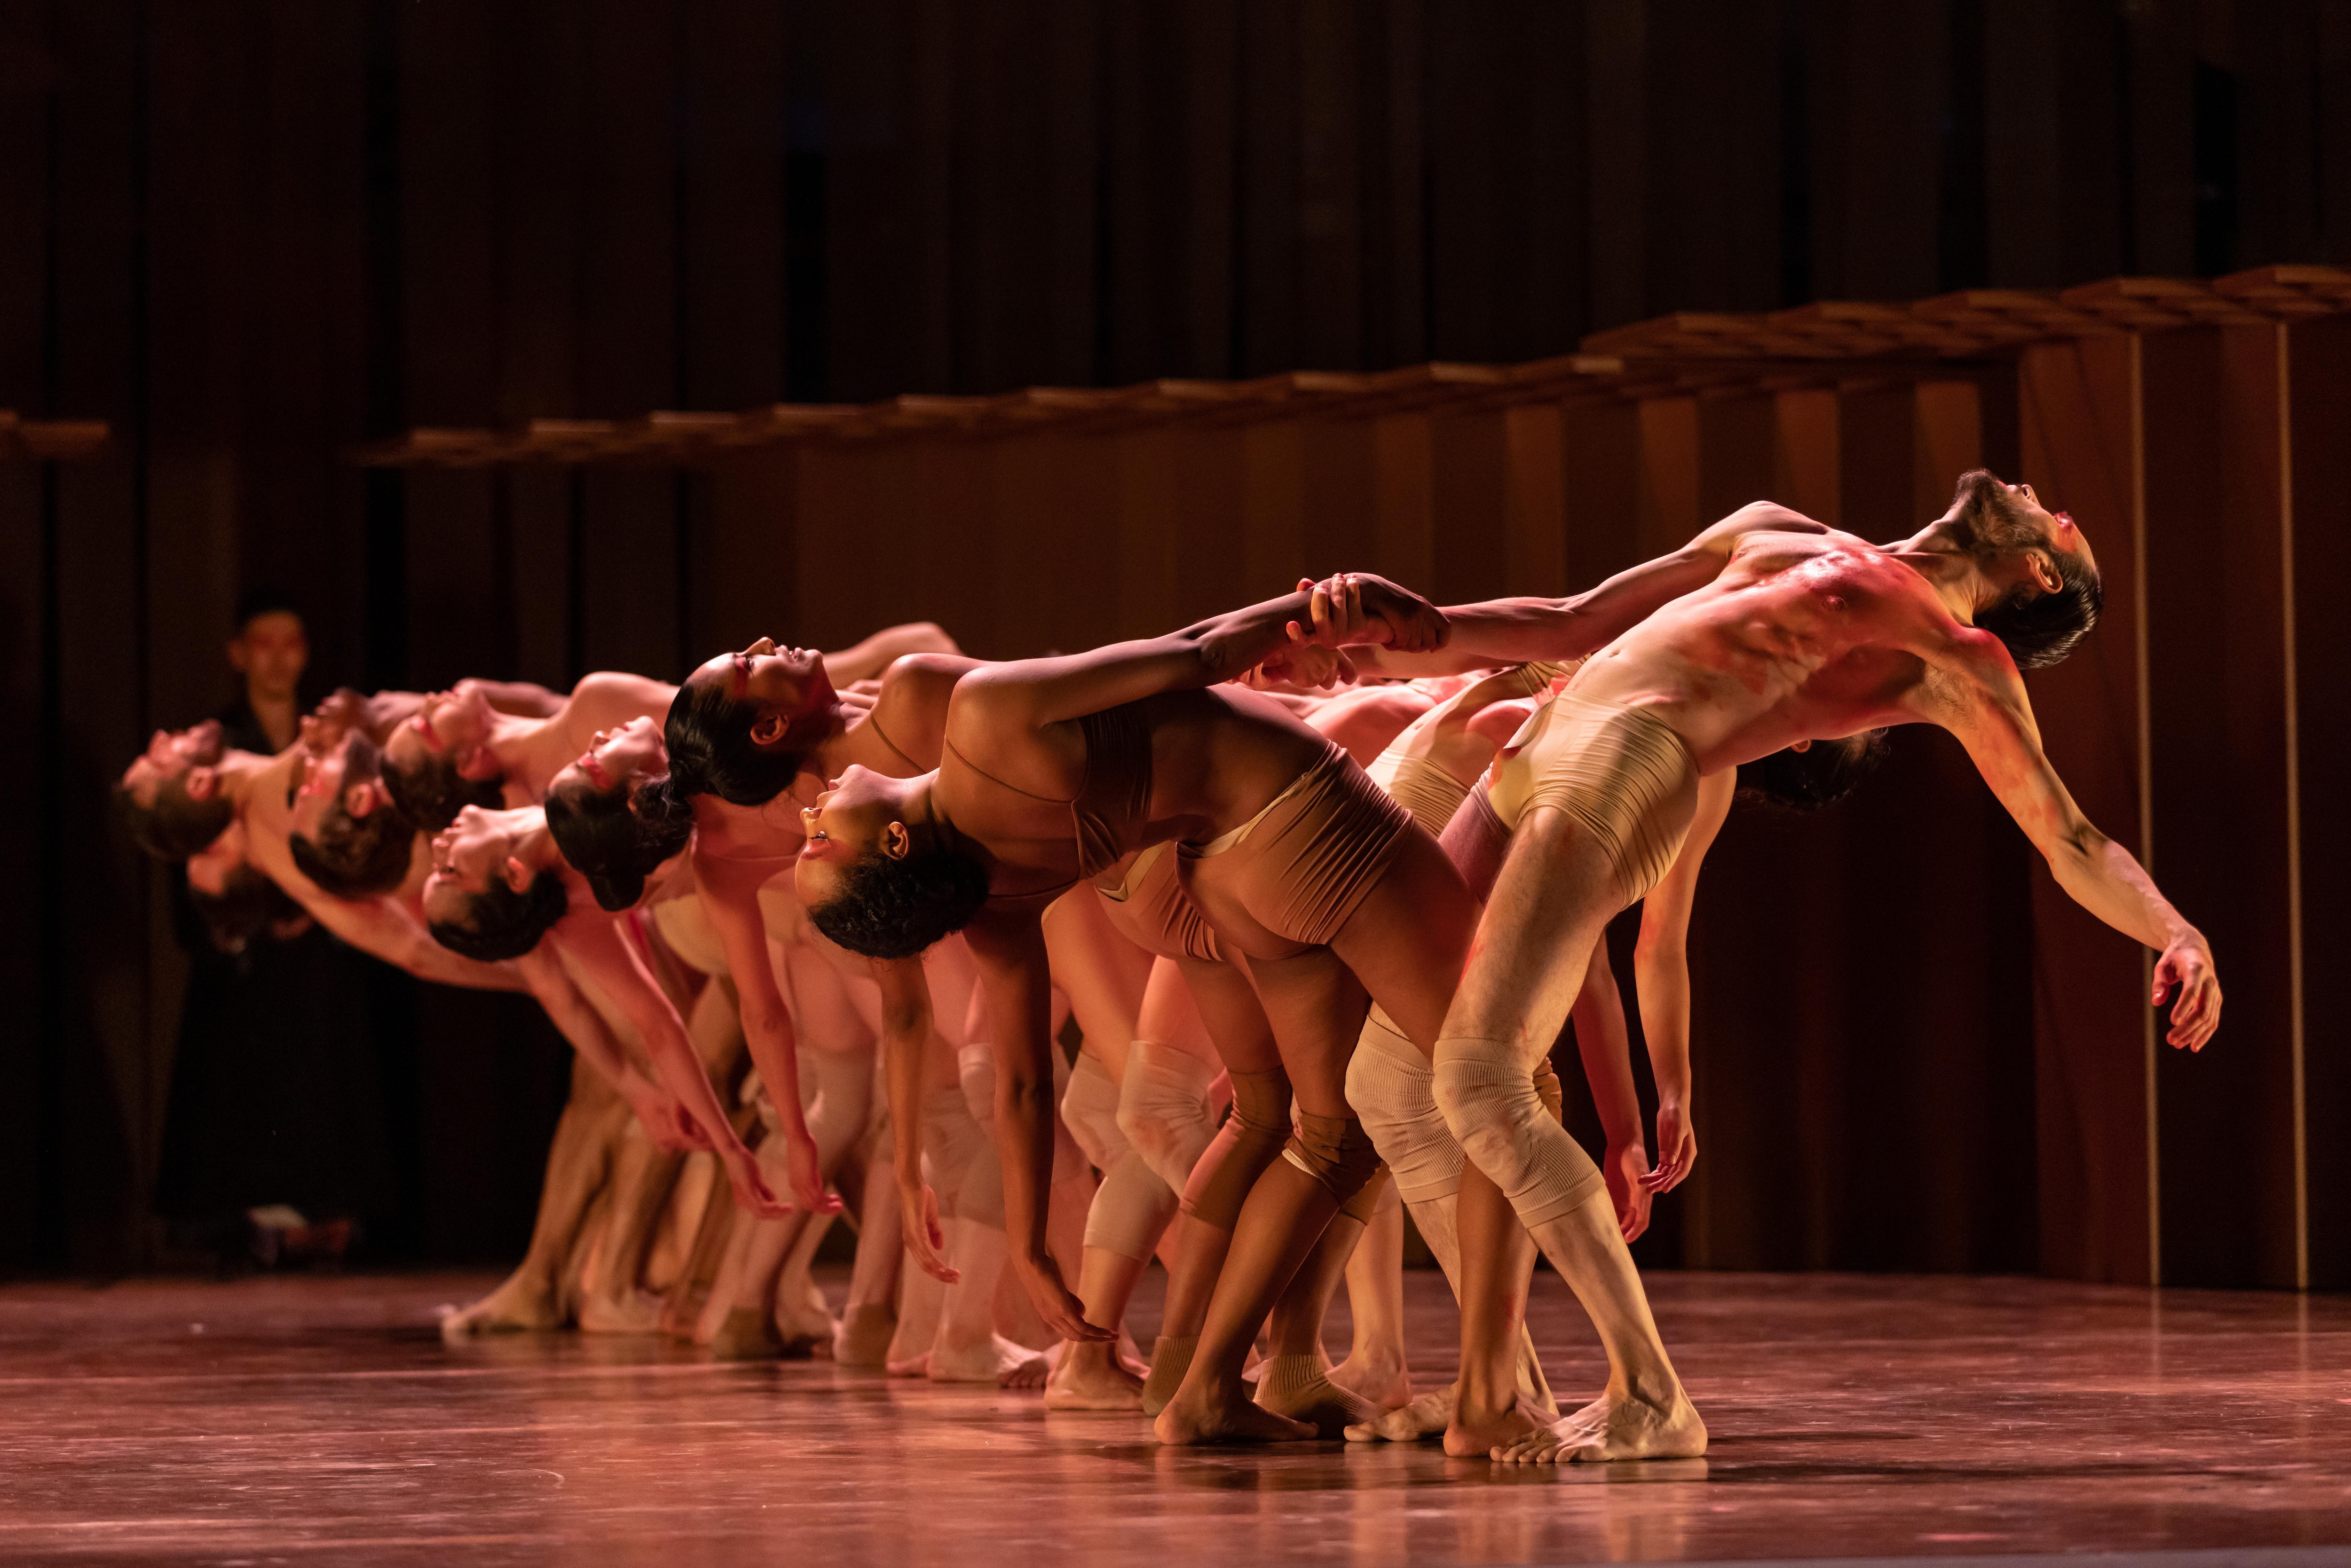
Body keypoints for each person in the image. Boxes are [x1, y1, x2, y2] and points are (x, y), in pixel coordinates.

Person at [1304, 470, 2220, 1462]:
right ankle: (1496, 1390)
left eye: (2061, 519)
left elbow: (2071, 840)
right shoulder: (1771, 530)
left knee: (1480, 1077)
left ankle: (1649, 1392)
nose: (2038, 491)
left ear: (2038, 572)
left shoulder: (1950, 655)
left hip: (1629, 759)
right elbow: (1576, 619)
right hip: (1538, 744)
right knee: (1385, 1077)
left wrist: (2175, 931)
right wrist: (1419, 629)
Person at [789, 578, 1485, 1445]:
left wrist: (1032, 1245)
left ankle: (1194, 1376)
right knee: (1470, 1086)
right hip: (1278, 814)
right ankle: (1496, 1392)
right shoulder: (979, 716)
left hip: (1201, 879)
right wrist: (1341, 606)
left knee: (1267, 1120)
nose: (810, 810)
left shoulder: (992, 899)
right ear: (893, 843)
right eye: (820, 837)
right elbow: (1194, 654)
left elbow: (1021, 1086)